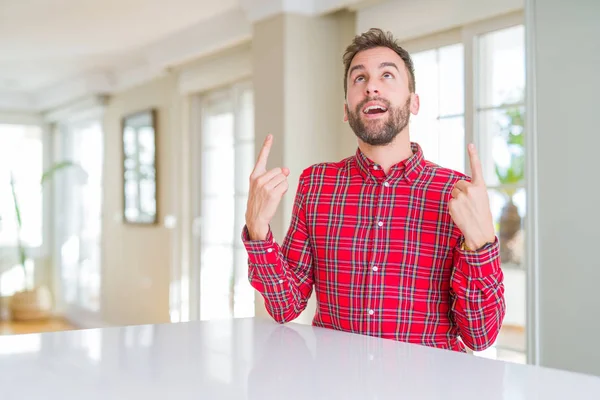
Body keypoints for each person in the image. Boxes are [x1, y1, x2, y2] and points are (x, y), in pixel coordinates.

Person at [242, 28, 505, 352]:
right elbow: (286, 306)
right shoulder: (316, 185)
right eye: (359, 79)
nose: (372, 86)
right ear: (346, 108)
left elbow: (481, 336)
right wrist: (257, 230)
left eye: (387, 75)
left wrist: (481, 244)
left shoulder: (455, 194)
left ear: (414, 102)